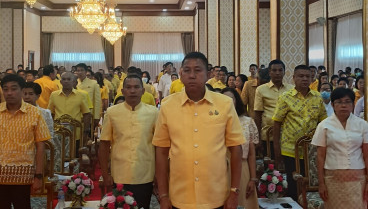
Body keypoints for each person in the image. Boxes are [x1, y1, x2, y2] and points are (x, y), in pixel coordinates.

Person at [153, 52, 245, 209]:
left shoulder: (224, 104)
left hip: (216, 196)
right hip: (179, 196)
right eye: (187, 70)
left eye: (198, 70)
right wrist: (163, 195)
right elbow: (161, 152)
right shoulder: (168, 106)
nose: (192, 75)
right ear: (180, 74)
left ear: (208, 74)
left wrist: (234, 192)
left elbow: (236, 149)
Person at [99, 75, 158, 209]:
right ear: (123, 91)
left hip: (145, 174)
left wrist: (159, 175)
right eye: (128, 87)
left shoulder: (153, 113)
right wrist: (105, 174)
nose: (132, 91)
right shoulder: (112, 112)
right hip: (119, 174)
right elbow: (104, 145)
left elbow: (159, 146)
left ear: (143, 91)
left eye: (136, 87)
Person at [312, 88, 368, 209]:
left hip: (357, 181)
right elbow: (320, 156)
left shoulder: (362, 124)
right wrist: (321, 183)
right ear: (332, 104)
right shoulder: (324, 125)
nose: (343, 105)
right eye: (339, 102)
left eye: (347, 102)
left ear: (353, 104)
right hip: (332, 180)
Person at [272, 65, 327, 201]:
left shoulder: (317, 97)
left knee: (309, 182)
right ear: (294, 78)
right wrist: (277, 149)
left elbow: (324, 122)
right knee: (293, 185)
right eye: (301, 76)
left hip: (312, 149)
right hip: (290, 149)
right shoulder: (285, 97)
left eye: (307, 76)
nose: (304, 79)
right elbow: (277, 123)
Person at [0, 74, 51, 208]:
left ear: (22, 91)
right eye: (5, 89)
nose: (9, 93)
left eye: (14, 88)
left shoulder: (35, 113)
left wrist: (39, 176)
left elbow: (40, 146)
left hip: (23, 176)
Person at [222, 87, 259, 209]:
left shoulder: (247, 122)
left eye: (231, 98)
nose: (227, 101)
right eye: (224, 98)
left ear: (236, 101)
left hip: (242, 169)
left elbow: (252, 154)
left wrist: (253, 178)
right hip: (219, 170)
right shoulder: (214, 122)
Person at [254, 60, 293, 158]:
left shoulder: (292, 89)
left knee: (288, 167)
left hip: (288, 136)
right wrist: (257, 138)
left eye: (280, 70)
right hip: (268, 135)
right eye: (274, 70)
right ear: (269, 72)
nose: (277, 73)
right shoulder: (261, 89)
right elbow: (258, 115)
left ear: (284, 72)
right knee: (270, 168)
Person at [48, 72, 91, 148]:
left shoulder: (81, 95)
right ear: (61, 82)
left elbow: (86, 114)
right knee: (58, 157)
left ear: (74, 82)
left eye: (69, 79)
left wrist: (85, 132)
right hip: (58, 132)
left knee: (75, 155)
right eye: (64, 79)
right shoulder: (54, 95)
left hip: (76, 133)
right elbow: (50, 113)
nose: (66, 81)